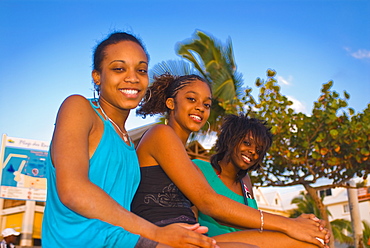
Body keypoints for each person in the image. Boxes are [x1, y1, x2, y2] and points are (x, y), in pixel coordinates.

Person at [41, 32, 218, 248]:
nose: (133, 77)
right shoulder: (78, 108)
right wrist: (157, 233)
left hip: (124, 240)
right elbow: (73, 190)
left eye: (141, 70)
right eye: (119, 68)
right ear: (97, 76)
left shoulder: (128, 144)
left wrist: (174, 230)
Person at [131, 73, 330, 248]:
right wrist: (289, 224)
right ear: (171, 103)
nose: (200, 108)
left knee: (311, 241)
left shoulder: (186, 159)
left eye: (206, 104)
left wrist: (298, 225)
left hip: (192, 236)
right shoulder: (160, 134)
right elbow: (209, 203)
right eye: (192, 99)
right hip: (163, 237)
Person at [192, 115, 272, 237]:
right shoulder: (199, 169)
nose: (253, 152)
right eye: (247, 143)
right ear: (230, 139)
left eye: (259, 150)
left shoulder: (245, 182)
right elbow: (189, 220)